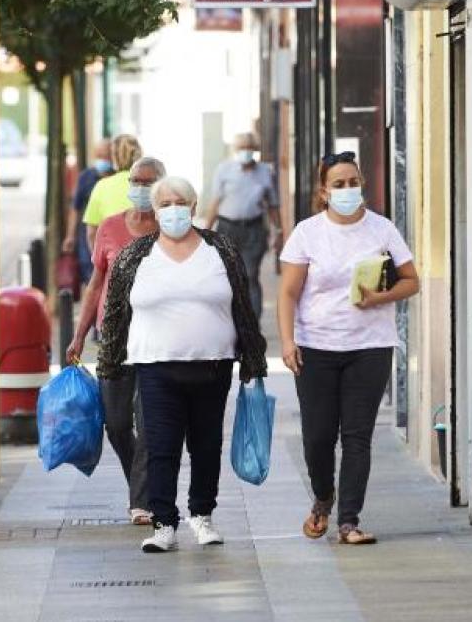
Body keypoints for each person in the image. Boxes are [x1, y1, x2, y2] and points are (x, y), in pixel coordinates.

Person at [98, 176, 267, 553]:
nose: (173, 209)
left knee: (206, 445)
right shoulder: (135, 256)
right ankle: (163, 523)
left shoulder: (220, 249)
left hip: (213, 365)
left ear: (193, 207)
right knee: (161, 446)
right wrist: (109, 364)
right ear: (155, 212)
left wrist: (253, 358)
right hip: (155, 368)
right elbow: (114, 314)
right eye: (165, 204)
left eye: (180, 202)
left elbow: (242, 304)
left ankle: (202, 515)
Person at [277, 151, 420, 545]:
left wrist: (378, 298)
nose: (347, 190)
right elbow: (288, 293)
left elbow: (411, 280)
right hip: (316, 346)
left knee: (357, 436)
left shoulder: (382, 229)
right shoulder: (307, 233)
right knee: (318, 437)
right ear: (323, 192)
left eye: (352, 182)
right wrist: (288, 342)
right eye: (338, 184)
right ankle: (323, 496)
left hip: (370, 347)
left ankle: (349, 521)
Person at [66, 156, 167, 525]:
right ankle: (140, 484)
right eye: (136, 181)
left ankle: (141, 499)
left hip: (157, 336)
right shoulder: (110, 227)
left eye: (149, 181)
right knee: (117, 422)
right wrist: (78, 335)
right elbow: (95, 284)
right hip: (113, 336)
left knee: (150, 419)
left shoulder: (171, 228)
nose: (140, 188)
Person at [203, 132, 282, 317]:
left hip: (254, 230)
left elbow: (273, 204)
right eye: (241, 148)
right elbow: (215, 202)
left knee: (250, 275)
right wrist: (205, 230)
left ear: (254, 150)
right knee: (228, 276)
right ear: (235, 150)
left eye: (249, 148)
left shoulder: (264, 172)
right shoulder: (224, 170)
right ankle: (233, 320)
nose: (245, 152)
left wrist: (278, 231)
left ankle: (253, 325)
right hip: (227, 228)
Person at [63, 138, 113, 286]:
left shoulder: (118, 178)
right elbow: (75, 208)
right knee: (90, 278)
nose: (102, 160)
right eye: (99, 156)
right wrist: (70, 236)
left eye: (105, 156)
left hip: (109, 237)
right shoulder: (85, 177)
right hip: (87, 237)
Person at [82, 134, 142, 248]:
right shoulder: (153, 184)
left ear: (114, 158)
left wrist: (99, 261)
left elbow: (91, 233)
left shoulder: (102, 186)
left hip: (113, 259)